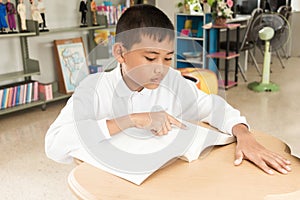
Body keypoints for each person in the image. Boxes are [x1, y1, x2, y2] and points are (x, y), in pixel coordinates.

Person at [45, 5, 291, 176]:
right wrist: (130, 120)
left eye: (168, 59)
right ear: (120, 53)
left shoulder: (172, 81)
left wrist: (244, 134)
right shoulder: (95, 89)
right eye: (151, 58)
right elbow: (54, 145)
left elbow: (213, 108)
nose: (160, 69)